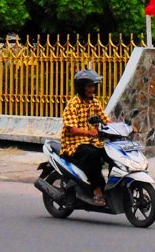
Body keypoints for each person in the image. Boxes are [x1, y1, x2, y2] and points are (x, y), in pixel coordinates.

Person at [61, 69, 110, 206]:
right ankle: (96, 189)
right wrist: (89, 133)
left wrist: (126, 128)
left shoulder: (95, 102)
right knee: (92, 155)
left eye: (93, 86)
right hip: (74, 143)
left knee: (110, 153)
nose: (92, 89)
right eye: (88, 86)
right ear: (81, 87)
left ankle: (111, 187)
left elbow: (105, 119)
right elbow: (71, 128)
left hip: (93, 141)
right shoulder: (73, 104)